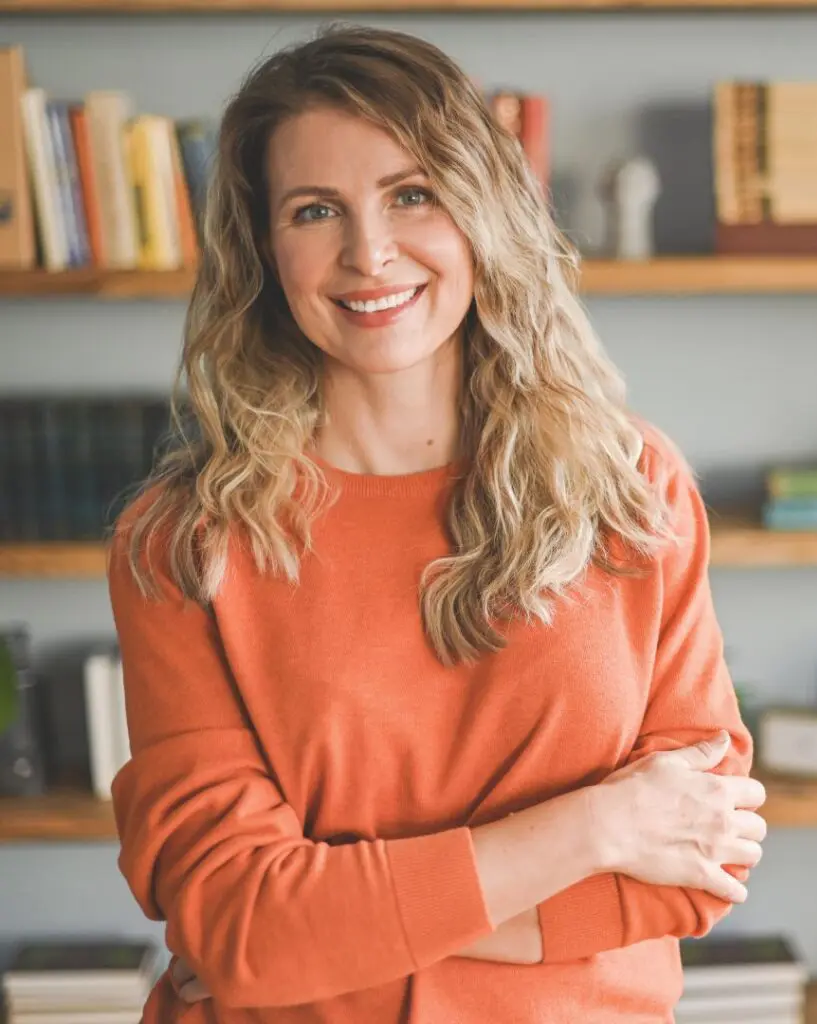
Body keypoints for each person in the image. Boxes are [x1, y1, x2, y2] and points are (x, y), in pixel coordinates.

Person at [106, 23, 767, 1024]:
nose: (369, 253)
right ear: (264, 247)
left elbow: (695, 868)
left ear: (481, 212)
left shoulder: (630, 487)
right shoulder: (183, 544)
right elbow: (239, 925)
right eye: (315, 209)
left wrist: (324, 923)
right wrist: (600, 825)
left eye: (411, 194)